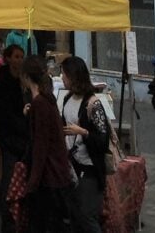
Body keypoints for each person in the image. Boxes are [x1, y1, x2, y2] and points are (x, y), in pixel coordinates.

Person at [20, 56, 72, 233]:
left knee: (44, 225)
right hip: (56, 174)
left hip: (49, 177)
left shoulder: (40, 103)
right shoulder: (46, 100)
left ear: (26, 77)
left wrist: (32, 182)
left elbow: (40, 146)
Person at [60, 56, 110, 233]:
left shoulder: (92, 103)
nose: (62, 77)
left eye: (64, 74)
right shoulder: (67, 99)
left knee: (87, 215)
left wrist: (83, 132)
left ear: (73, 76)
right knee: (74, 214)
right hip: (71, 165)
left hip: (89, 167)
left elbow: (103, 140)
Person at [0, 44, 28, 233]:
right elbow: (3, 111)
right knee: (8, 179)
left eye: (22, 56)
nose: (19, 60)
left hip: (23, 138)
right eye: (16, 56)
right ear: (7, 58)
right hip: (8, 137)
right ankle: (7, 220)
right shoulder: (2, 79)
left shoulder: (24, 80)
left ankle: (19, 218)